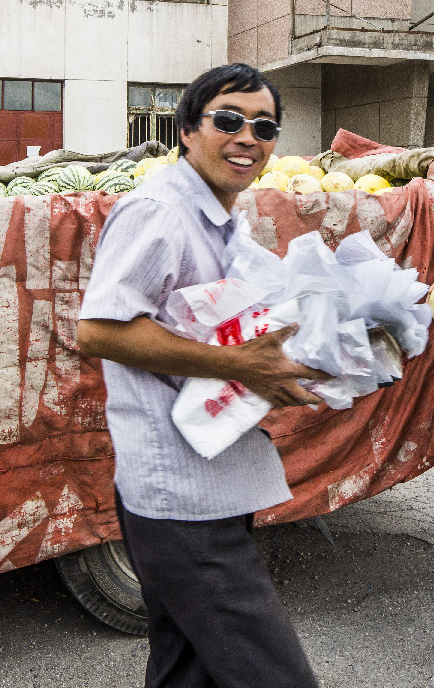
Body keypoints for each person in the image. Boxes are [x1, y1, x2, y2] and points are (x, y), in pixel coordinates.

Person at [77, 63, 328, 688]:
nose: (248, 137)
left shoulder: (224, 215)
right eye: (228, 120)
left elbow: (233, 324)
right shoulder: (159, 212)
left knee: (186, 668)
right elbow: (99, 331)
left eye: (264, 127)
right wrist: (240, 365)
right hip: (179, 494)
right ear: (188, 130)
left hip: (212, 476)